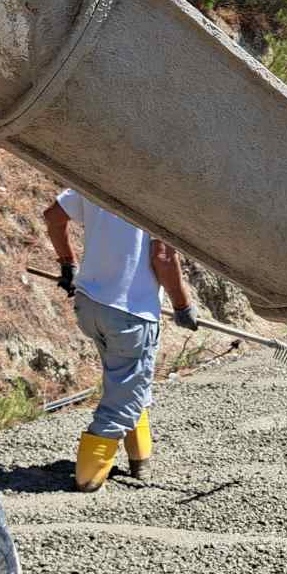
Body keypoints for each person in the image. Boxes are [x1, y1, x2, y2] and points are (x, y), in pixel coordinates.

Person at [42, 189, 199, 491]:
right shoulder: (157, 194)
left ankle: (140, 461)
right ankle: (88, 479)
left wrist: (67, 263)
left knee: (126, 383)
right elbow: (163, 257)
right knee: (123, 394)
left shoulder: (94, 179)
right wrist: (182, 305)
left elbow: (53, 217)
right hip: (130, 313)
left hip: (90, 305)